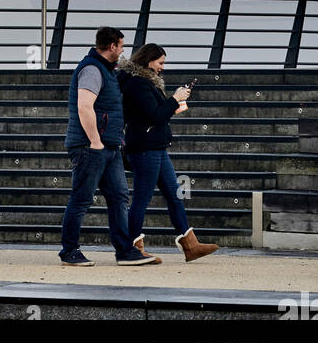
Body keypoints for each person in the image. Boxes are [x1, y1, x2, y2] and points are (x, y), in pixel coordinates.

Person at [59, 26, 157, 267]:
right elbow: (84, 106)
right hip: (90, 146)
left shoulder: (107, 70)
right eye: (121, 46)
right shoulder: (92, 69)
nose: (123, 52)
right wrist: (94, 141)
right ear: (112, 45)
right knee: (81, 199)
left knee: (119, 197)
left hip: (109, 146)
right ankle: (70, 252)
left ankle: (124, 251)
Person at [119, 43, 219, 262]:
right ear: (148, 61)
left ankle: (190, 245)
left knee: (175, 195)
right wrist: (175, 98)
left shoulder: (144, 83)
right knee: (142, 199)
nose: (162, 67)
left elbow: (156, 115)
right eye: (160, 62)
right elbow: (155, 116)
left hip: (155, 147)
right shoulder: (138, 83)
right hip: (145, 149)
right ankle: (132, 246)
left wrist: (174, 104)